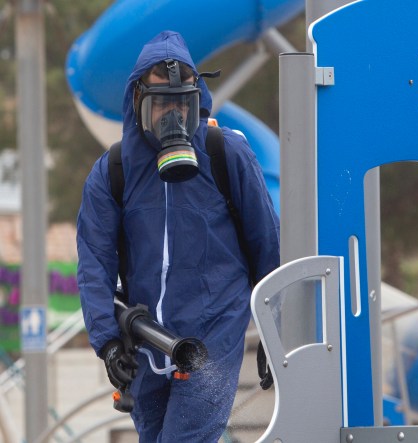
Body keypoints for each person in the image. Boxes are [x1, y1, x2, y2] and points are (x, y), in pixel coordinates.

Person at [76, 30, 280, 441]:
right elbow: (94, 263)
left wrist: (279, 333)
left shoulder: (227, 155)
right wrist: (109, 343)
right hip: (144, 338)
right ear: (138, 103)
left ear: (197, 101)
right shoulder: (113, 170)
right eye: (161, 106)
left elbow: (268, 247)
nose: (173, 118)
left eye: (182, 105)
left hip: (213, 335)